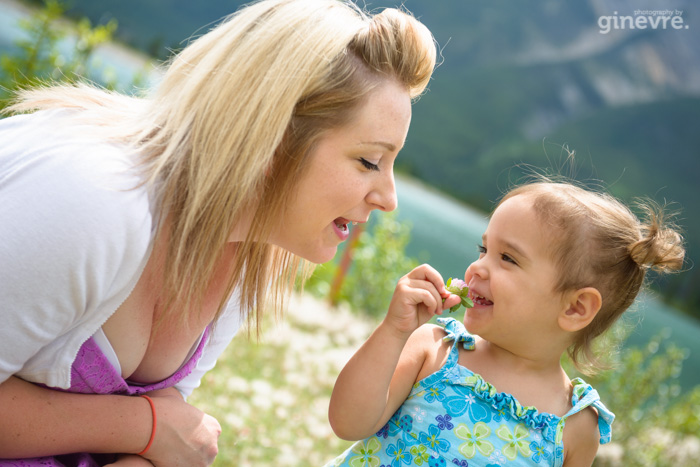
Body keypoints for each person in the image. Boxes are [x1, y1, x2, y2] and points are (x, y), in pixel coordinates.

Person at [0, 0, 437, 465]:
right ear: (275, 138)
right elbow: (162, 430)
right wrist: (142, 426)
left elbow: (170, 443)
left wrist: (150, 439)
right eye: (369, 161)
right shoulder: (95, 202)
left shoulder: (245, 250)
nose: (388, 197)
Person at [326, 179, 685, 466]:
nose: (478, 267)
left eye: (508, 258)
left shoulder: (575, 426)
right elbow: (348, 423)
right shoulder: (434, 349)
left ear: (576, 308)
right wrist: (394, 330)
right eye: (484, 250)